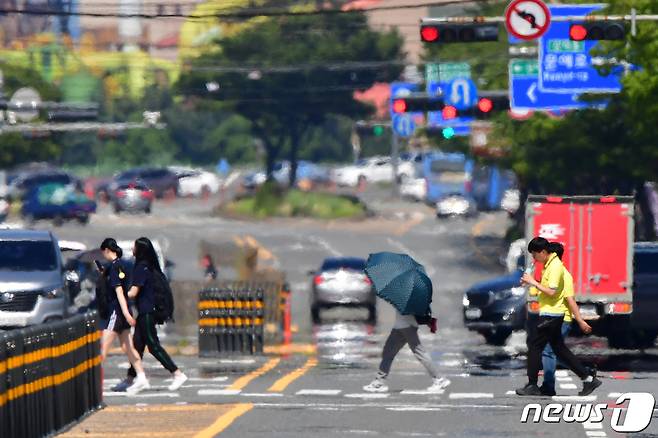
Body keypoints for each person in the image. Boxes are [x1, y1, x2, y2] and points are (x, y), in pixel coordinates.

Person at [517, 237, 601, 397]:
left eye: (535, 254)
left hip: (552, 314)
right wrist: (531, 282)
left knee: (535, 346)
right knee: (558, 349)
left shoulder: (555, 267)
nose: (534, 258)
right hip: (551, 314)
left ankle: (533, 384)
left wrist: (533, 282)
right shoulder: (548, 266)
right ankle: (588, 378)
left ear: (543, 252)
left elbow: (552, 292)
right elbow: (544, 290)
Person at [113, 237, 188, 392]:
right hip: (145, 312)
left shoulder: (141, 267)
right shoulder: (148, 266)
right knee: (137, 346)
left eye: (134, 247)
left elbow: (134, 292)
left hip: (147, 312)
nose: (132, 250)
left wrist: (119, 294)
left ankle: (177, 373)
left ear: (140, 250)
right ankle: (130, 379)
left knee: (153, 345)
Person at [540, 242, 594, 396]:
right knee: (556, 352)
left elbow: (570, 300)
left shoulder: (562, 274)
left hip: (561, 319)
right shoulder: (555, 271)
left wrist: (580, 320)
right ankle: (586, 373)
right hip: (557, 317)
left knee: (548, 351)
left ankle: (549, 386)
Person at [98, 238, 150, 394]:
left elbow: (119, 292)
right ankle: (141, 377)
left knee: (103, 348)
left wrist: (126, 314)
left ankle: (95, 381)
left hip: (117, 311)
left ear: (107, 250)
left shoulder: (114, 268)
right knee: (127, 346)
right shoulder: (121, 265)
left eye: (104, 253)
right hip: (124, 309)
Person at [363, 307, 449, 393]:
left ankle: (439, 379)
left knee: (420, 353)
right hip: (400, 326)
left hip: (407, 326)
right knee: (388, 352)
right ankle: (378, 382)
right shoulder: (404, 295)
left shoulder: (407, 295)